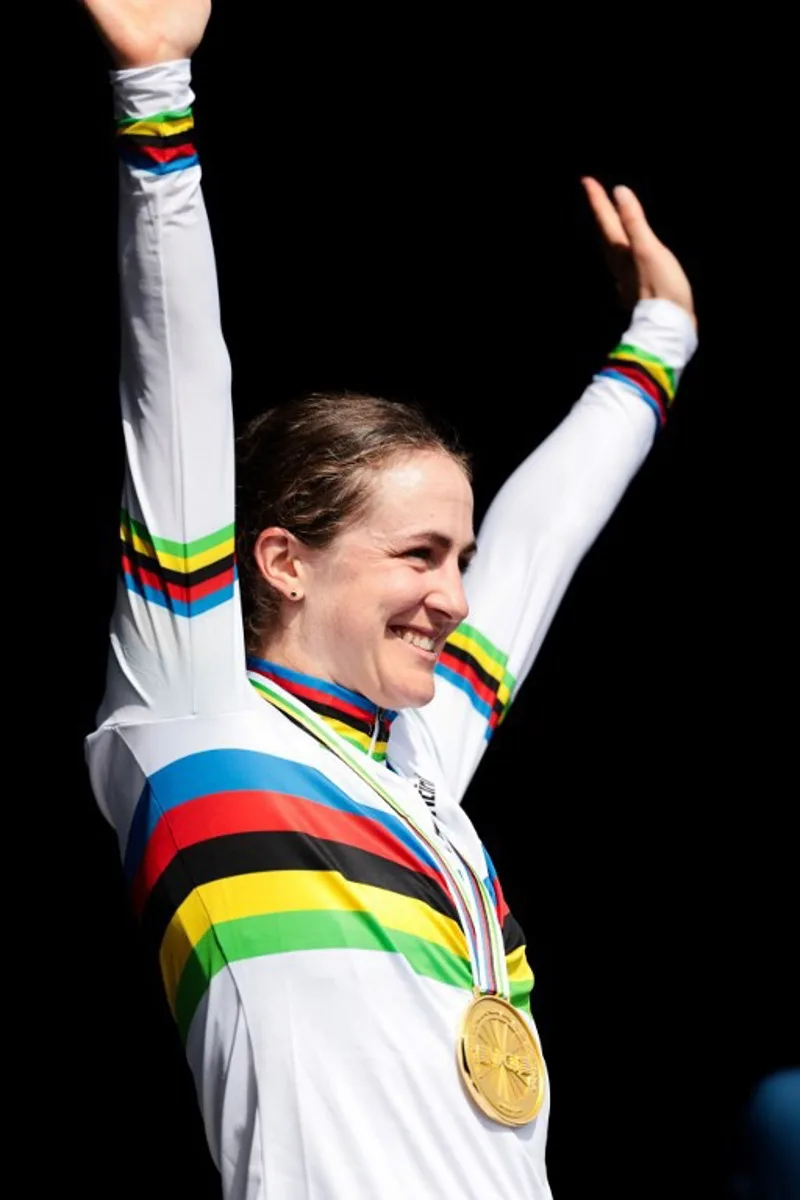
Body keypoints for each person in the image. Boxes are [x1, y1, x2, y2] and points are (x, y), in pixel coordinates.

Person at [82, 2, 697, 1196]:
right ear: (279, 560)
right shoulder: (190, 717)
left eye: (455, 559)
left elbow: (539, 548)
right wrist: (158, 99)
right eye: (418, 556)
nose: (455, 597)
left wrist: (659, 336)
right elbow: (175, 393)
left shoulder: (418, 757)